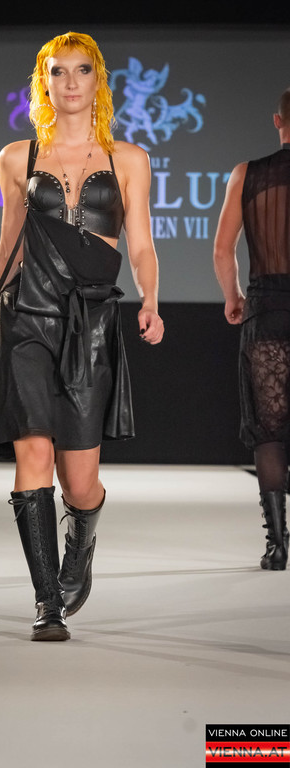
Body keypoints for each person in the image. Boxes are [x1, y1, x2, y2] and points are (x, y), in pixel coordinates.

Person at [0, 31, 164, 640]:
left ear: (98, 80)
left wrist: (150, 300)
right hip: (26, 315)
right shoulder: (16, 157)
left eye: (82, 70)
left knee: (80, 480)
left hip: (92, 322)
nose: (70, 81)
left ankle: (81, 538)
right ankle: (47, 602)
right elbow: (7, 243)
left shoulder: (129, 159)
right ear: (43, 82)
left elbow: (140, 244)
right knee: (33, 453)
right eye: (58, 71)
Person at [213, 86, 290, 571]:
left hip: (267, 313)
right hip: (267, 311)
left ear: (278, 121)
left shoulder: (248, 174)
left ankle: (278, 545)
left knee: (269, 431)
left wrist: (233, 297)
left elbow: (223, 250)